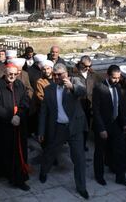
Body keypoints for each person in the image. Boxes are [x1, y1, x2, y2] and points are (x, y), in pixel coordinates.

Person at [38, 63, 89, 199]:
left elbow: (83, 91)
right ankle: (43, 172)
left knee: (79, 158)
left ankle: (81, 187)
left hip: (75, 127)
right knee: (50, 151)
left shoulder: (75, 82)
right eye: (54, 75)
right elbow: (43, 112)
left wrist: (72, 87)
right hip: (58, 128)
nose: (56, 77)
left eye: (60, 74)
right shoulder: (48, 90)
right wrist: (41, 131)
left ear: (66, 73)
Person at [92, 65, 126, 187]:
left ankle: (120, 177)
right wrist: (101, 129)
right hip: (103, 126)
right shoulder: (99, 88)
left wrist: (124, 123)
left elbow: (119, 107)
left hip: (116, 125)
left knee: (120, 151)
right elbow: (95, 110)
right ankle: (99, 176)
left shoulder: (118, 87)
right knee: (100, 152)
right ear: (107, 75)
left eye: (118, 78)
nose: (116, 80)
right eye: (114, 78)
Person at [0, 64, 30, 191]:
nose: (12, 76)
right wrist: (10, 117)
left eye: (15, 74)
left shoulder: (19, 84)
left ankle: (18, 178)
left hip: (18, 124)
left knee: (18, 153)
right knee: (3, 151)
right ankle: (2, 172)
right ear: (4, 73)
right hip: (3, 125)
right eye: (9, 74)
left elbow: (25, 101)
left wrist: (18, 116)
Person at [72, 55, 101, 151]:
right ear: (80, 63)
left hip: (88, 105)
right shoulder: (73, 74)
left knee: (86, 127)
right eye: (85, 66)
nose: (88, 68)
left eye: (90, 66)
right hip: (77, 105)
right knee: (77, 127)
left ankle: (83, 144)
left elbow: (97, 89)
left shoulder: (93, 74)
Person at [31, 60, 54, 134]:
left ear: (51, 69)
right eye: (44, 69)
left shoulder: (56, 79)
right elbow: (40, 96)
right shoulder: (40, 82)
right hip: (47, 108)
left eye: (48, 69)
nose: (46, 71)